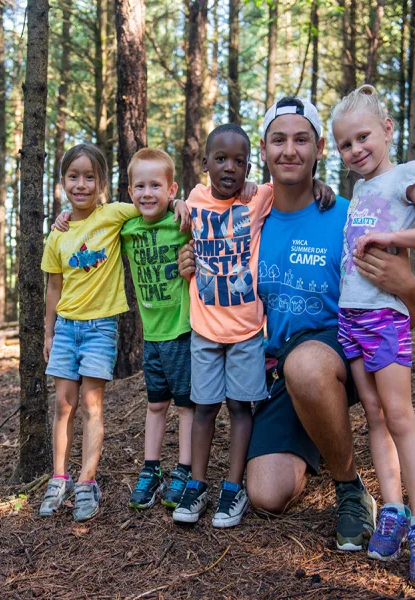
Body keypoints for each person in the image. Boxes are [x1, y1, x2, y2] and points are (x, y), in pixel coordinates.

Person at [178, 97, 415, 551]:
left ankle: (350, 488)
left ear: (317, 151)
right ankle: (315, 433)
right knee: (267, 495)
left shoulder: (351, 215)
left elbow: (411, 312)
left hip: (339, 353)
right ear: (264, 153)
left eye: (301, 140)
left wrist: (408, 286)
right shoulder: (247, 217)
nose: (289, 150)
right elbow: (203, 228)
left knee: (306, 366)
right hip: (270, 365)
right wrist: (191, 259)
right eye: (278, 140)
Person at [331, 85, 415, 588]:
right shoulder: (358, 192)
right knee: (376, 416)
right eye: (345, 144)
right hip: (350, 319)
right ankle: (393, 510)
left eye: (363, 136)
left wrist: (394, 239)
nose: (356, 149)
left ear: (386, 129)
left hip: (385, 318)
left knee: (401, 416)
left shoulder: (406, 175)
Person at [39, 143, 189, 522]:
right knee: (62, 406)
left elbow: (151, 202)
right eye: (73, 177)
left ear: (103, 184)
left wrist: (181, 204)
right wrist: (48, 333)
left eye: (90, 177)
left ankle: (87, 481)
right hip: (66, 327)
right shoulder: (57, 234)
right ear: (62, 182)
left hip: (100, 328)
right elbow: (53, 287)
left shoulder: (114, 214)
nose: (81, 185)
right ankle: (59, 478)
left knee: (91, 406)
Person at [171, 123, 270, 528]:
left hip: (247, 329)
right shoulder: (193, 199)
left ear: (249, 165)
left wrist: (319, 186)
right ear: (206, 162)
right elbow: (162, 202)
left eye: (240, 161)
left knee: (240, 407)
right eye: (222, 159)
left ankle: (233, 487)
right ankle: (197, 484)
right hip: (205, 328)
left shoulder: (260, 197)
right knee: (204, 407)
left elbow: (290, 187)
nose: (231, 168)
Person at [119, 148, 195, 510]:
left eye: (156, 186)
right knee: (155, 404)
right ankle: (151, 470)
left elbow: (209, 218)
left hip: (180, 331)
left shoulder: (181, 223)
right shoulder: (127, 227)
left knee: (185, 406)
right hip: (151, 336)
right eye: (140, 186)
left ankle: (183, 468)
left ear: (170, 189)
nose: (147, 193)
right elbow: (93, 219)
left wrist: (183, 205)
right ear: (130, 191)